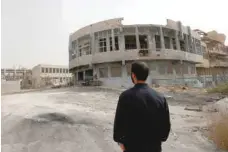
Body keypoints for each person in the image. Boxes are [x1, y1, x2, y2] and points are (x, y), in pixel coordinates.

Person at [113, 61, 171, 152]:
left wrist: (120, 142)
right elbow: (165, 127)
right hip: (154, 147)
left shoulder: (125, 97)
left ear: (133, 75)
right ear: (146, 75)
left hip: (132, 147)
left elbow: (119, 124)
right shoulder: (160, 98)